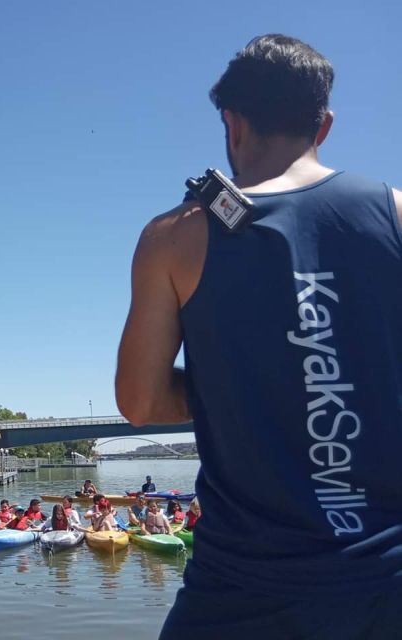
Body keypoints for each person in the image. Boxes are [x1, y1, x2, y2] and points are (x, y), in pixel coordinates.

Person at [115, 34, 402, 637]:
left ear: (232, 123)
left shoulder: (174, 237)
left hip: (242, 594)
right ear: (324, 126)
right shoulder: (396, 213)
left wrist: (248, 382)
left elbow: (139, 402)